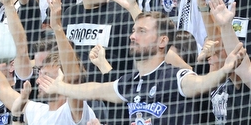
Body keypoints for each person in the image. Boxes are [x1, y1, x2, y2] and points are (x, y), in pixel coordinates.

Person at [39, 13, 247, 125]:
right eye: (133, 31)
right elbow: (93, 89)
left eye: (141, 31)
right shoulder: (131, 82)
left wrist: (222, 71)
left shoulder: (175, 77)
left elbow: (201, 83)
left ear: (162, 41)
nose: (132, 36)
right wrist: (60, 86)